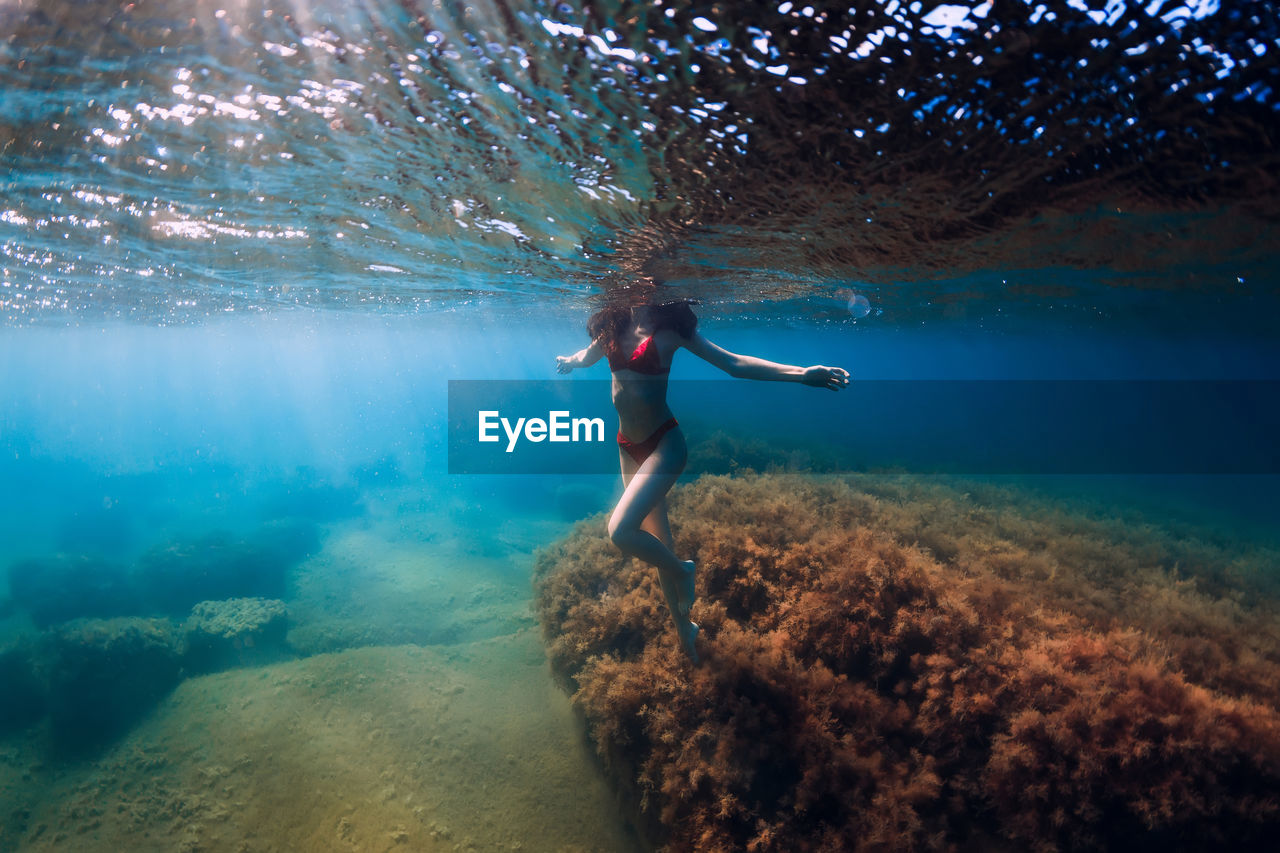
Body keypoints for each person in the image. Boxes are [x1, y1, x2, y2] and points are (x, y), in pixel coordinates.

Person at [556, 299, 850, 662]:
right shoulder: (611, 329)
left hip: (664, 444)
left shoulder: (671, 332)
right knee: (657, 540)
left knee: (620, 532)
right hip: (627, 446)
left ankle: (683, 571)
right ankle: (685, 631)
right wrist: (570, 362)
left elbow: (733, 363)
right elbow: (586, 357)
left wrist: (802, 373)